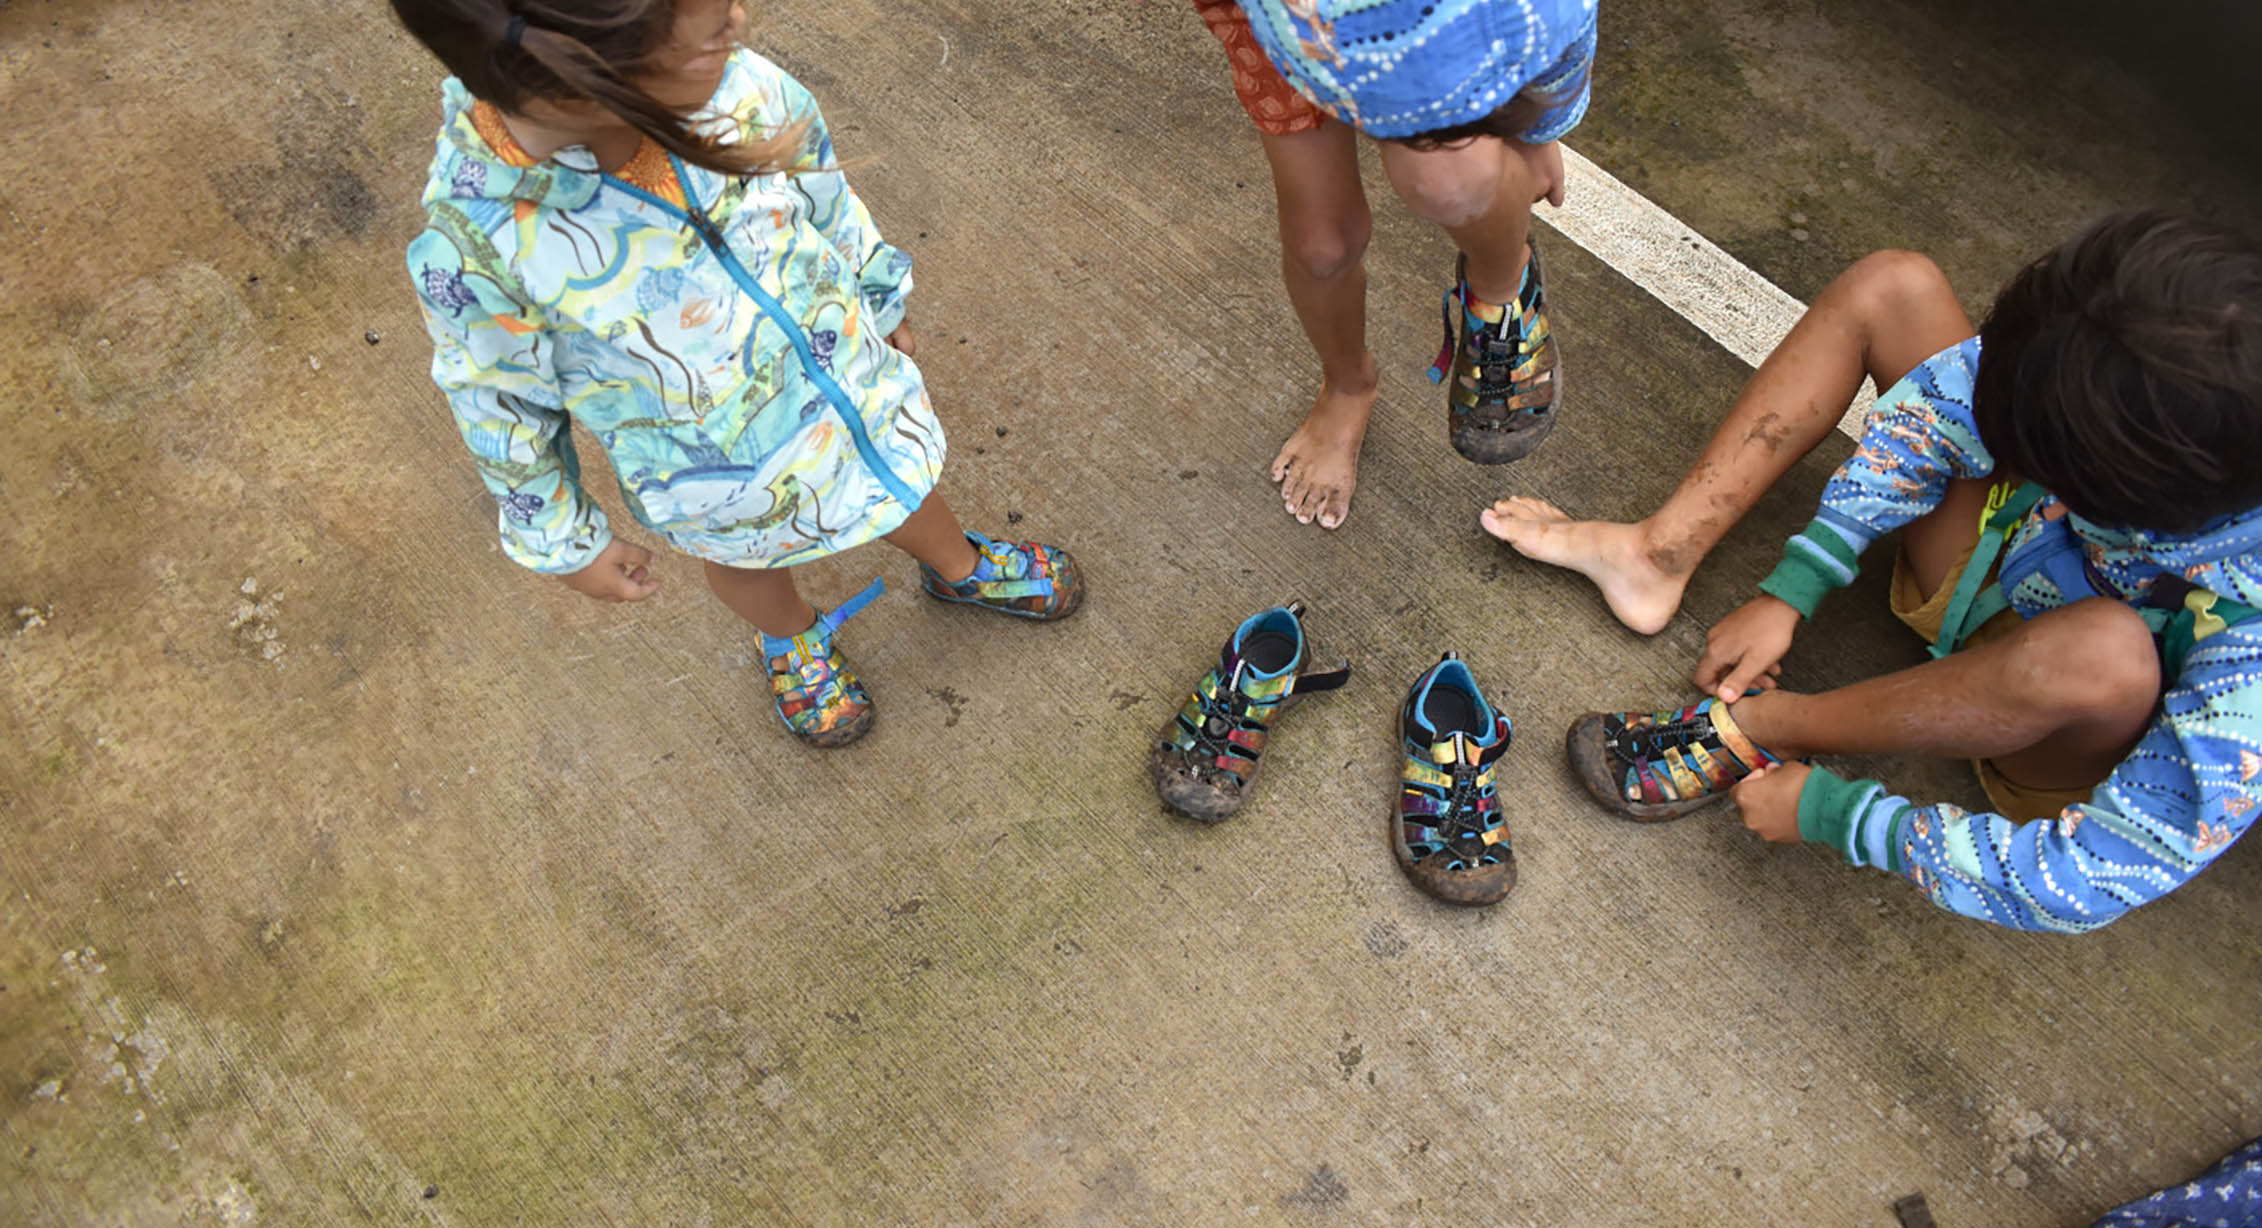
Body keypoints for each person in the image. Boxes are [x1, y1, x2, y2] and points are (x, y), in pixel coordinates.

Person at [1485, 210, 2262, 931]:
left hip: (2065, 716)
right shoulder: (2201, 355)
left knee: (2103, 651)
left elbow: (2086, 877)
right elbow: (1954, 396)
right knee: (1896, 287)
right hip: (2013, 554)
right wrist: (1801, 577)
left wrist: (1844, 817)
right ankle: (1657, 555)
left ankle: (1770, 726)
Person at [392, 0, 1082, 749]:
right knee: (747, 561)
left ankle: (960, 567)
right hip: (710, 471)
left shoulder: (732, 87)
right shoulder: (480, 250)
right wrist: (563, 538)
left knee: (900, 483)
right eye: (698, 23)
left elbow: (821, 185)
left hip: (842, 387)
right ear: (569, 73)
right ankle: (792, 637)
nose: (739, 21)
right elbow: (498, 402)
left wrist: (876, 290)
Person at [1194, 0, 1599, 530]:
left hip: (1440, 41)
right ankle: (1347, 385)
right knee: (1322, 247)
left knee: (1453, 182)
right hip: (1281, 31)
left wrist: (1539, 122)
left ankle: (1502, 292)